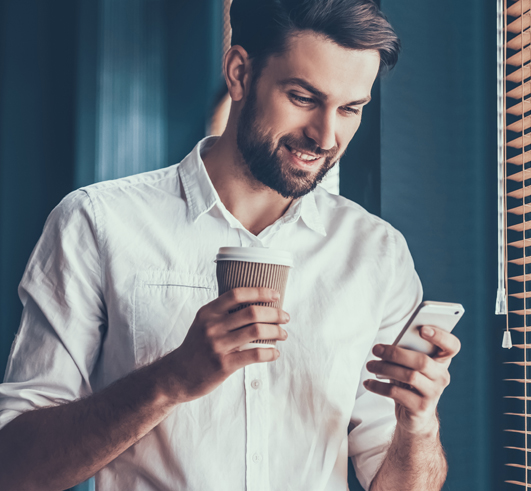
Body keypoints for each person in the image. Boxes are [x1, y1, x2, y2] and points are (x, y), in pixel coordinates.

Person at [0, 0, 461, 489]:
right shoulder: (96, 222)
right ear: (240, 73)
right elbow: (14, 468)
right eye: (303, 97)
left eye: (350, 109)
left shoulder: (377, 253)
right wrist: (169, 382)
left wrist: (419, 425)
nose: (326, 136)